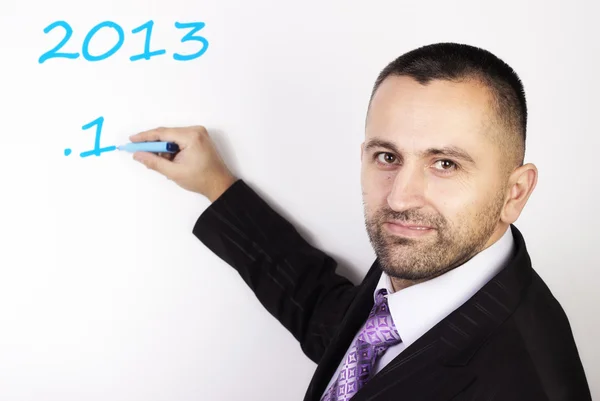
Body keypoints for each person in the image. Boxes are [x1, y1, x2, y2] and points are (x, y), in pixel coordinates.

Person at [129, 42, 592, 400]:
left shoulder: (525, 383)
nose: (399, 196)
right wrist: (216, 184)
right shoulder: (426, 265)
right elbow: (333, 324)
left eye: (445, 163)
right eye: (387, 156)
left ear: (515, 193)